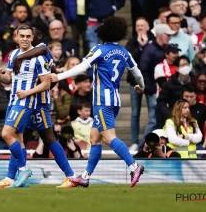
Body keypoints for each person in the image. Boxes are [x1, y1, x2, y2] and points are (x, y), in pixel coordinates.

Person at [50, 16, 145, 188]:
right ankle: (85, 177)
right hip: (115, 100)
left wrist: (59, 76)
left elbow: (81, 68)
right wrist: (141, 87)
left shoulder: (99, 49)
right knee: (95, 138)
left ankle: (134, 166)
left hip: (102, 100)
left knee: (109, 138)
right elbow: (137, 73)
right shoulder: (124, 52)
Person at [0, 24, 77, 188]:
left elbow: (48, 80)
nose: (24, 39)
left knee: (30, 136)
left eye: (28, 36)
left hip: (36, 101)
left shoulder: (42, 52)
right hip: (22, 100)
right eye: (21, 36)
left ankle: (19, 174)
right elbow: (9, 79)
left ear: (34, 37)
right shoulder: (14, 54)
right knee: (21, 138)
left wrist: (29, 92)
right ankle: (12, 178)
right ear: (16, 37)